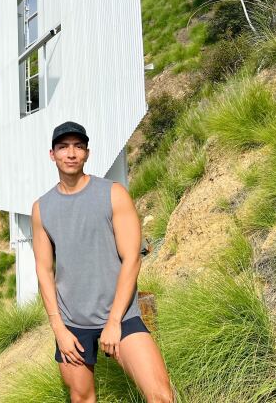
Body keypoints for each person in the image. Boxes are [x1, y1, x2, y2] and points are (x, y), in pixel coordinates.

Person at [32, 121, 174, 403]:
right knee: (82, 398)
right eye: (63, 147)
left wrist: (113, 322)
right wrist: (59, 329)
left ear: (87, 153)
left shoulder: (113, 193)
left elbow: (132, 258)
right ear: (52, 154)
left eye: (78, 147)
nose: (71, 153)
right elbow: (44, 271)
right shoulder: (42, 208)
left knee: (161, 396)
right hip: (72, 323)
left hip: (121, 314)